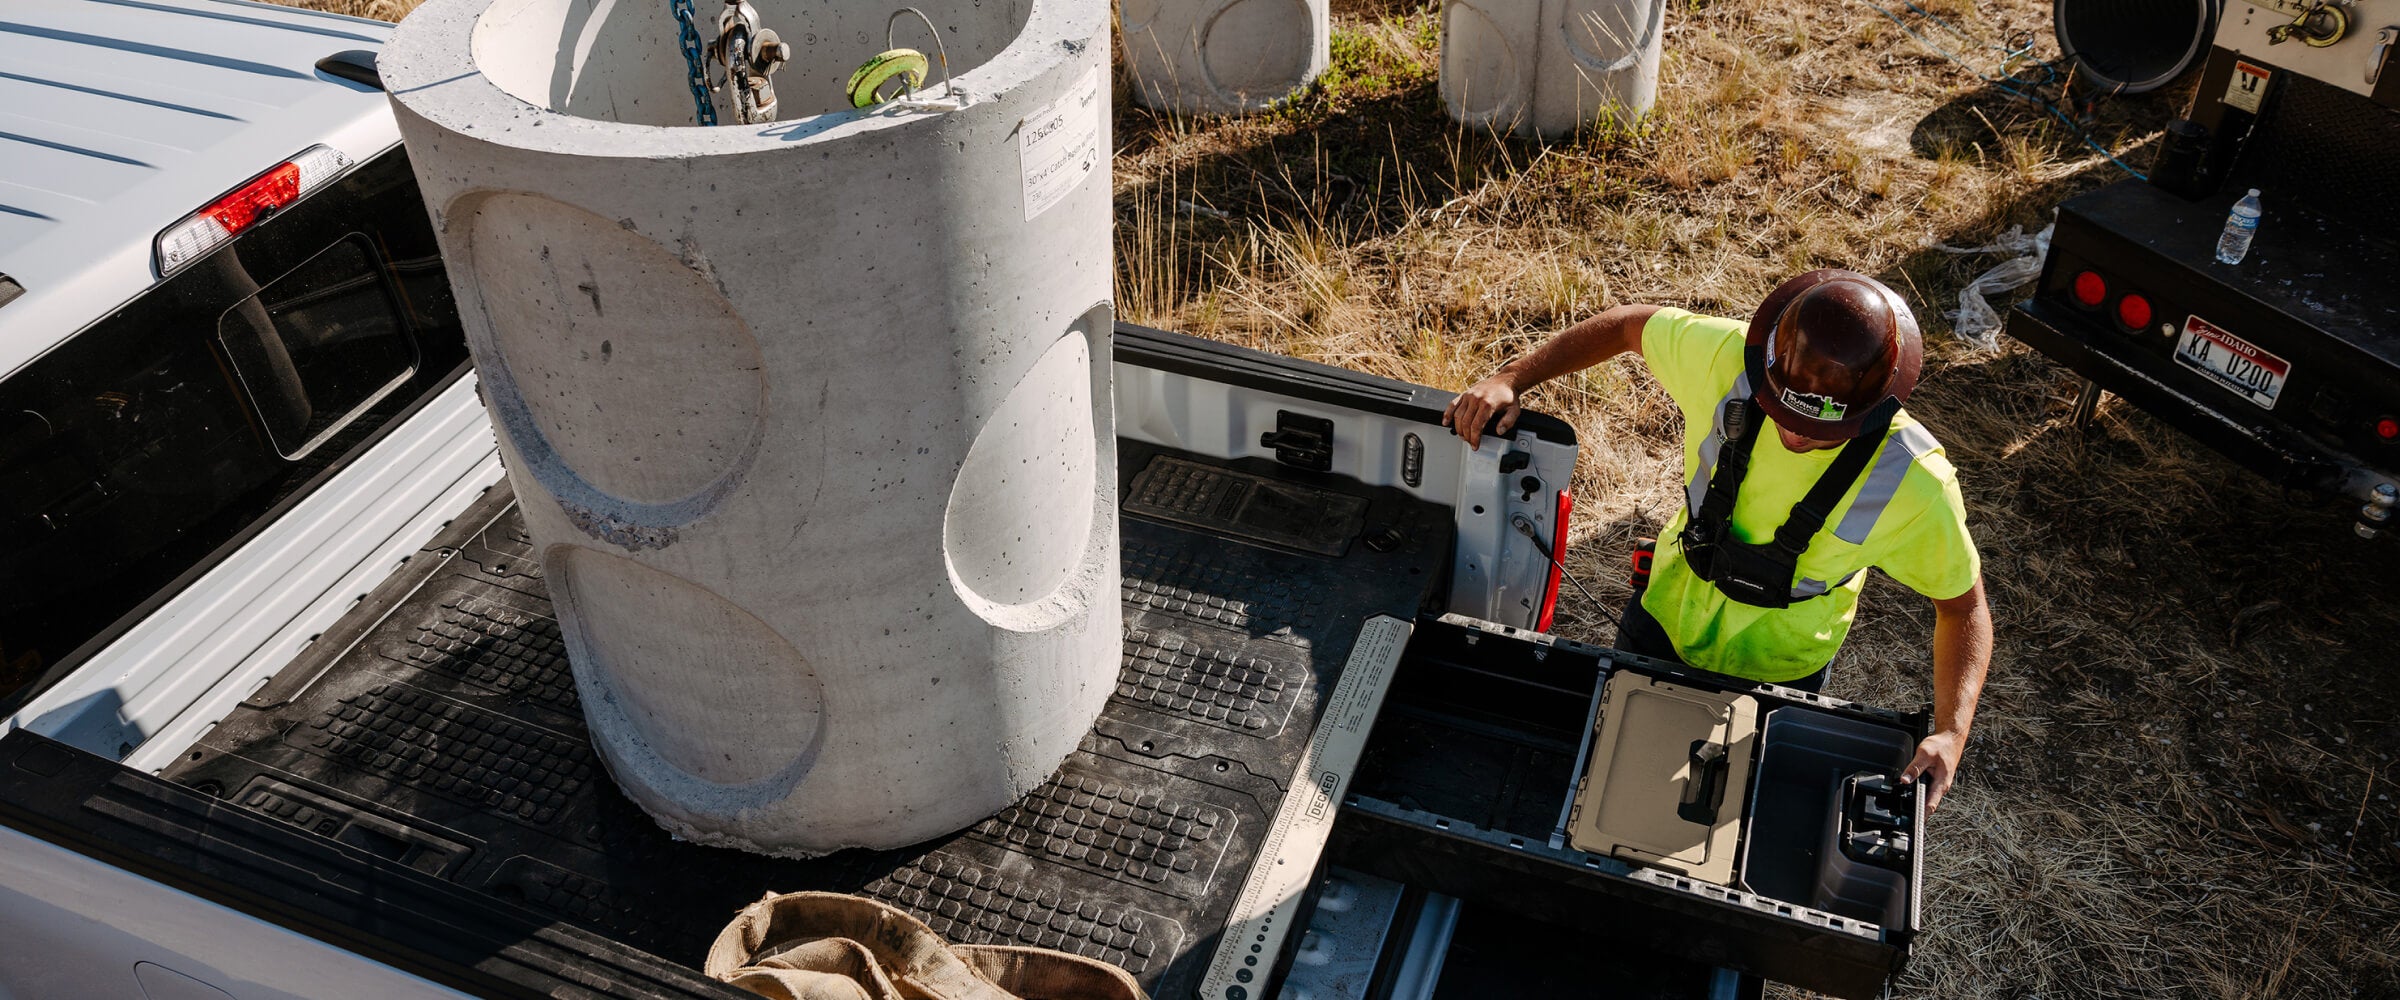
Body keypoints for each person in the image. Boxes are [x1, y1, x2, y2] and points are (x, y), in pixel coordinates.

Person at [1441, 270, 1991, 812]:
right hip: (1667, 611)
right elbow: (1630, 327)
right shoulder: (1729, 360)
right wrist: (1513, 375)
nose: (1795, 434)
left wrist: (1952, 732)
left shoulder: (1915, 483)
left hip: (1782, 663)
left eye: (1820, 431)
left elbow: (1963, 607)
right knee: (1614, 770)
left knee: (1718, 810)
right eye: (1783, 409)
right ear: (1770, 363)